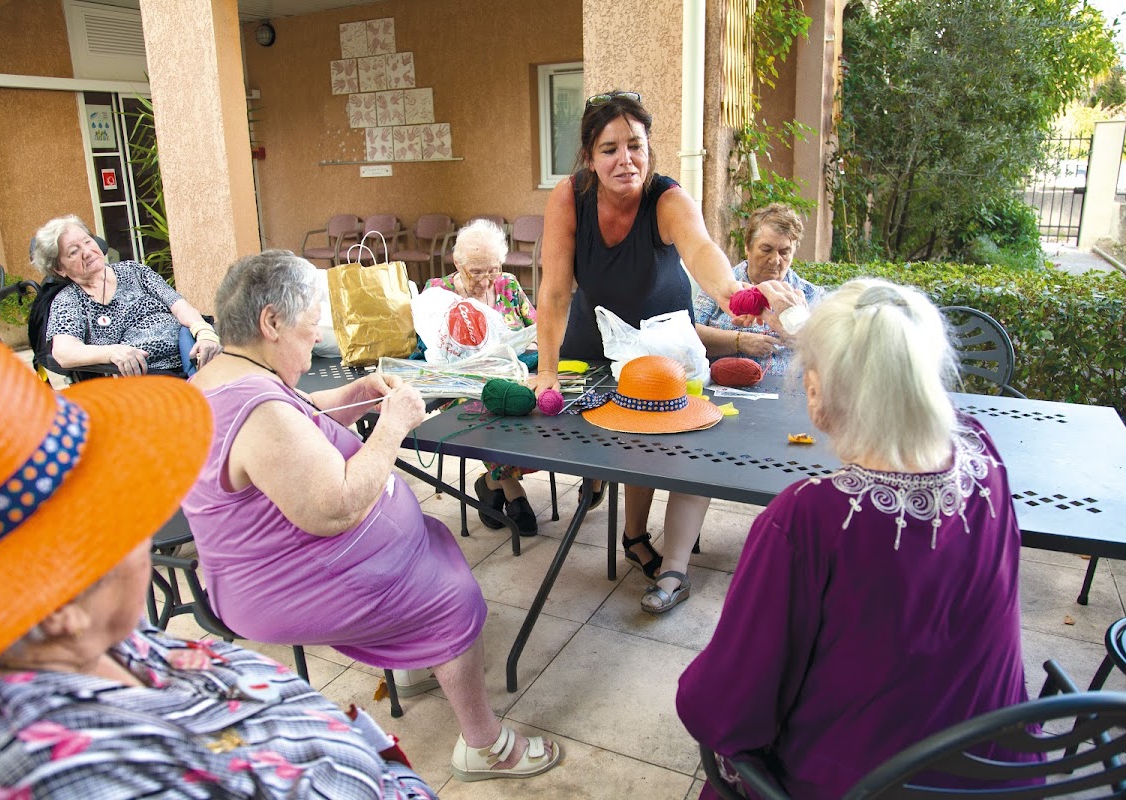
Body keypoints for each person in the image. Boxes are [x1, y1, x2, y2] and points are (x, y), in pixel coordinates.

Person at [0, 330, 439, 798]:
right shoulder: (76, 777)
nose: (146, 522)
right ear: (56, 596)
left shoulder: (83, 640)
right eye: (115, 505)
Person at [182, 249, 560, 782]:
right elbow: (334, 509)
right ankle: (484, 746)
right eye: (310, 326)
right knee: (450, 596)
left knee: (432, 538)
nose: (316, 338)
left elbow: (297, 420)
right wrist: (392, 425)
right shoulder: (256, 409)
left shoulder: (223, 378)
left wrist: (357, 395)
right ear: (270, 322)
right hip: (278, 586)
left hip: (266, 572)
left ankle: (410, 666)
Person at [677, 279, 1040, 799]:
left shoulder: (808, 519)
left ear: (816, 392)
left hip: (866, 786)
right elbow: (887, 361)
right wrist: (804, 326)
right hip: (999, 775)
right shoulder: (985, 456)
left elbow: (724, 708)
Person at [531, 89, 804, 613]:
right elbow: (555, 290)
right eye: (609, 148)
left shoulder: (668, 198)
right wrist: (545, 371)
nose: (625, 159)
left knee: (668, 440)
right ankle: (621, 518)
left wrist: (740, 295)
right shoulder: (569, 197)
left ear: (649, 149)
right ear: (589, 157)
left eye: (635, 145)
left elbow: (704, 253)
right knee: (614, 443)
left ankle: (649, 546)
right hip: (594, 340)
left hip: (664, 342)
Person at [427, 218, 540, 534]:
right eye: (476, 271)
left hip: (513, 375)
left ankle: (491, 483)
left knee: (539, 409)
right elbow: (435, 349)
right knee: (489, 412)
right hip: (464, 386)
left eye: (493, 269)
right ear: (457, 263)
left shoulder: (508, 284)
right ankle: (513, 490)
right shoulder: (439, 293)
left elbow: (535, 329)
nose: (487, 280)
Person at [33, 214, 222, 376]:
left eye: (87, 241)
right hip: (146, 378)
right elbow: (63, 353)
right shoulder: (69, 300)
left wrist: (203, 332)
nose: (87, 252)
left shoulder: (134, 271)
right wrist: (112, 352)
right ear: (59, 268)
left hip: (192, 358)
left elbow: (178, 305)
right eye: (74, 251)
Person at [695, 202, 822, 376]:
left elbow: (830, 351)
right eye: (766, 249)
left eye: (784, 252)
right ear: (748, 246)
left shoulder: (808, 294)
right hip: (723, 388)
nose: (775, 260)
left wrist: (797, 325)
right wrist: (739, 341)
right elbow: (689, 331)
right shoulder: (722, 283)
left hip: (786, 395)